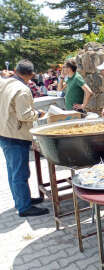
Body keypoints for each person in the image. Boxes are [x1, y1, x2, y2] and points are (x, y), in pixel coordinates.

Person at [0, 59, 49, 217]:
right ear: (32, 75)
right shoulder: (22, 89)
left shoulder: (5, 83)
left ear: (15, 70)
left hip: (5, 131)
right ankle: (24, 207)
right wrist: (39, 114)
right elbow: (25, 115)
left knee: (13, 171)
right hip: (15, 135)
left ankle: (22, 200)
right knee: (20, 173)